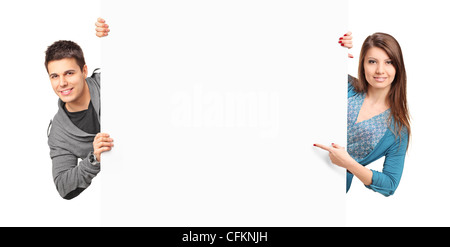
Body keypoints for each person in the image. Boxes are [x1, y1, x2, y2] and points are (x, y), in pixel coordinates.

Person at [314, 32, 410, 197]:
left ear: (398, 67)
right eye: (372, 62)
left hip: (329, 189)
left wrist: (349, 164)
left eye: (389, 62)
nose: (380, 70)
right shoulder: (344, 85)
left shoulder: (398, 129)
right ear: (362, 64)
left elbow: (390, 185)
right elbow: (301, 64)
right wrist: (332, 48)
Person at [46, 18, 111, 199]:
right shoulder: (59, 133)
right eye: (54, 76)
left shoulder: (106, 81)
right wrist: (95, 158)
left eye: (69, 73)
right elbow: (63, 186)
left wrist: (114, 34)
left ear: (84, 71)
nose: (62, 83)